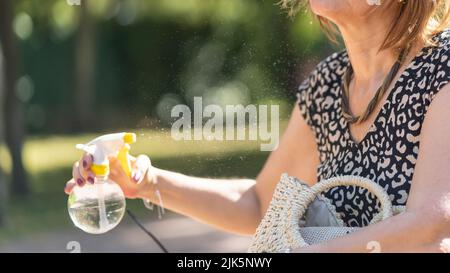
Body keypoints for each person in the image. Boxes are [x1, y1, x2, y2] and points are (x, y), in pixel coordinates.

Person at [65, 0, 450, 252]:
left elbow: (434, 222)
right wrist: (145, 181)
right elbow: (260, 204)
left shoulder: (442, 66)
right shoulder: (327, 86)